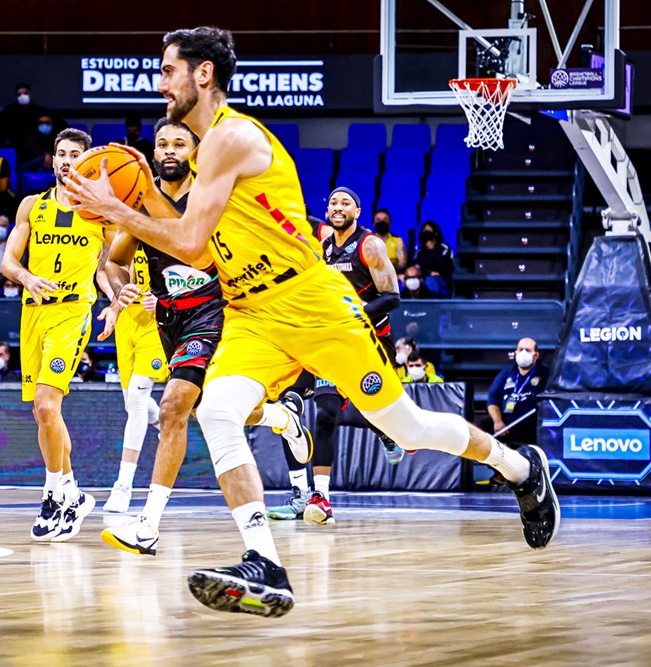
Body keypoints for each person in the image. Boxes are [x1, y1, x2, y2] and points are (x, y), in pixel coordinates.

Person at [65, 26, 559, 618]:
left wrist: (115, 207)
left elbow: (190, 244)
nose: (160, 83)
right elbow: (188, 241)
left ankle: (520, 468)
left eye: (168, 70)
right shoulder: (201, 156)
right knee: (216, 411)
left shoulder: (231, 138)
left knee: (407, 429)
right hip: (251, 311)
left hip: (310, 301)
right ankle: (264, 564)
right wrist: (137, 200)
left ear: (203, 74)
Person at [96, 117, 312, 555]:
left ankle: (147, 525)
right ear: (153, 152)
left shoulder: (214, 197)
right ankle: (281, 419)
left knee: (172, 407)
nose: (169, 150)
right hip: (169, 318)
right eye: (162, 143)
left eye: (179, 143)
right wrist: (121, 291)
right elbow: (114, 262)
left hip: (218, 312)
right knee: (211, 411)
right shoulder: (139, 206)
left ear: (194, 152)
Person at [1, 127, 116, 543]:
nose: (67, 160)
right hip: (33, 313)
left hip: (73, 312)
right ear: (53, 159)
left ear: (86, 162)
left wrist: (115, 303)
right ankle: (73, 493)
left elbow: (110, 268)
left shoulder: (99, 213)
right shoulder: (32, 206)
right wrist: (26, 276)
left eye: (75, 155)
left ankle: (53, 494)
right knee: (43, 414)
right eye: (61, 153)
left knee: (48, 405)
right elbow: (8, 262)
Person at [268, 185, 403, 526]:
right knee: (305, 409)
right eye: (333, 202)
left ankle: (386, 430)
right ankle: (313, 496)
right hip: (329, 342)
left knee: (371, 409)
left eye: (346, 203)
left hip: (370, 342)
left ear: (358, 212)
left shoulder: (370, 245)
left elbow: (392, 298)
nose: (338, 207)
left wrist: (352, 317)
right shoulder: (323, 247)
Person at [100, 243, 167, 514]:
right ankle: (164, 423)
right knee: (132, 403)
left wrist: (163, 300)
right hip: (127, 319)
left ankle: (123, 486)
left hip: (155, 322)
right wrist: (115, 303)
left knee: (138, 400)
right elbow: (103, 270)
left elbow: (189, 273)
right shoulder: (120, 232)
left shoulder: (164, 228)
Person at [486, 337, 548, 446]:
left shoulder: (545, 374)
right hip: (506, 424)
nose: (523, 353)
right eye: (520, 349)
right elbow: (492, 400)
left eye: (527, 350)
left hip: (532, 425)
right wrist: (498, 421)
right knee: (484, 427)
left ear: (536, 355)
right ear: (515, 353)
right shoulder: (505, 374)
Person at [411, 220, 454, 297]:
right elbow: (416, 267)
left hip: (442, 280)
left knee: (430, 280)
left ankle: (432, 303)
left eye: (429, 230)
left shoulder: (444, 248)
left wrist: (432, 249)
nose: (426, 232)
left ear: (436, 233)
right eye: (424, 230)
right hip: (423, 278)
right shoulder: (419, 251)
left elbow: (445, 266)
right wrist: (428, 273)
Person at [372, 208, 406, 273]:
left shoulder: (398, 240)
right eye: (378, 220)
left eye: (385, 219)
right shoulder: (367, 241)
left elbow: (402, 264)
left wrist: (387, 269)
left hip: (393, 273)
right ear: (373, 223)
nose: (382, 222)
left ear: (390, 223)